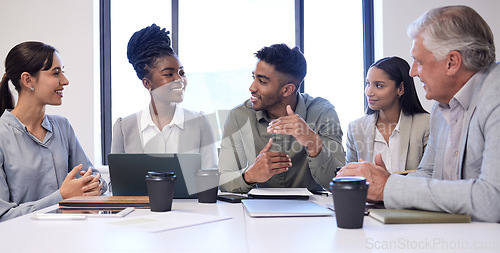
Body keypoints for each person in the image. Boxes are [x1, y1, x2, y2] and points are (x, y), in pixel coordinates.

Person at [337, 5, 500, 222]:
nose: (413, 72)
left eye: (419, 62)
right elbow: (428, 175)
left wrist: (388, 187)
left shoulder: (495, 97)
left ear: (452, 62)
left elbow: (492, 200)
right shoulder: (441, 109)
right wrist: (382, 188)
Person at [0, 41, 106, 221]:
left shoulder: (63, 127)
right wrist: (62, 197)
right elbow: (3, 216)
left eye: (63, 72)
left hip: (70, 236)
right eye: (56, 73)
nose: (65, 81)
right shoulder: (3, 135)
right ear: (28, 80)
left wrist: (94, 185)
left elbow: (95, 178)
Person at [219, 43, 345, 193]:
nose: (252, 87)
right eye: (254, 77)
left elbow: (339, 182)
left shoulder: (322, 113)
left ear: (287, 90)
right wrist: (250, 175)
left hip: (313, 212)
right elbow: (223, 180)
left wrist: (314, 144)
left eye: (262, 81)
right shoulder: (239, 116)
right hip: (255, 210)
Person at [111, 24, 217, 170]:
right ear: (147, 83)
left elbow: (210, 180)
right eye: (168, 74)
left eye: (181, 73)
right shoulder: (124, 127)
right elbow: (117, 182)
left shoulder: (200, 123)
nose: (179, 79)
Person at [346, 56, 429, 173]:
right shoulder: (355, 128)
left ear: (400, 88)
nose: (369, 92)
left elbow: (430, 175)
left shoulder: (426, 125)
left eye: (379, 85)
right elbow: (350, 178)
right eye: (368, 84)